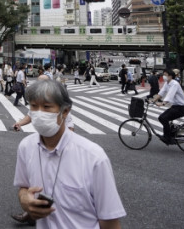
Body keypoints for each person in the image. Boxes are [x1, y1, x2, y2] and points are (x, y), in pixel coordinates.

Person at [14, 79, 126, 228]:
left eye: (47, 107)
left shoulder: (94, 157)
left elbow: (110, 222)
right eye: (34, 107)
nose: (39, 114)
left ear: (65, 111)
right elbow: (23, 186)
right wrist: (24, 200)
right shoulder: (26, 147)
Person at [152, 69, 184, 145]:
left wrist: (163, 103)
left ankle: (167, 138)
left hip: (181, 108)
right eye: (163, 74)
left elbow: (170, 95)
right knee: (161, 117)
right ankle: (170, 134)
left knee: (163, 118)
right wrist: (153, 100)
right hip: (175, 106)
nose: (164, 76)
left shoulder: (174, 84)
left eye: (165, 75)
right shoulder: (167, 83)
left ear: (170, 76)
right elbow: (161, 93)